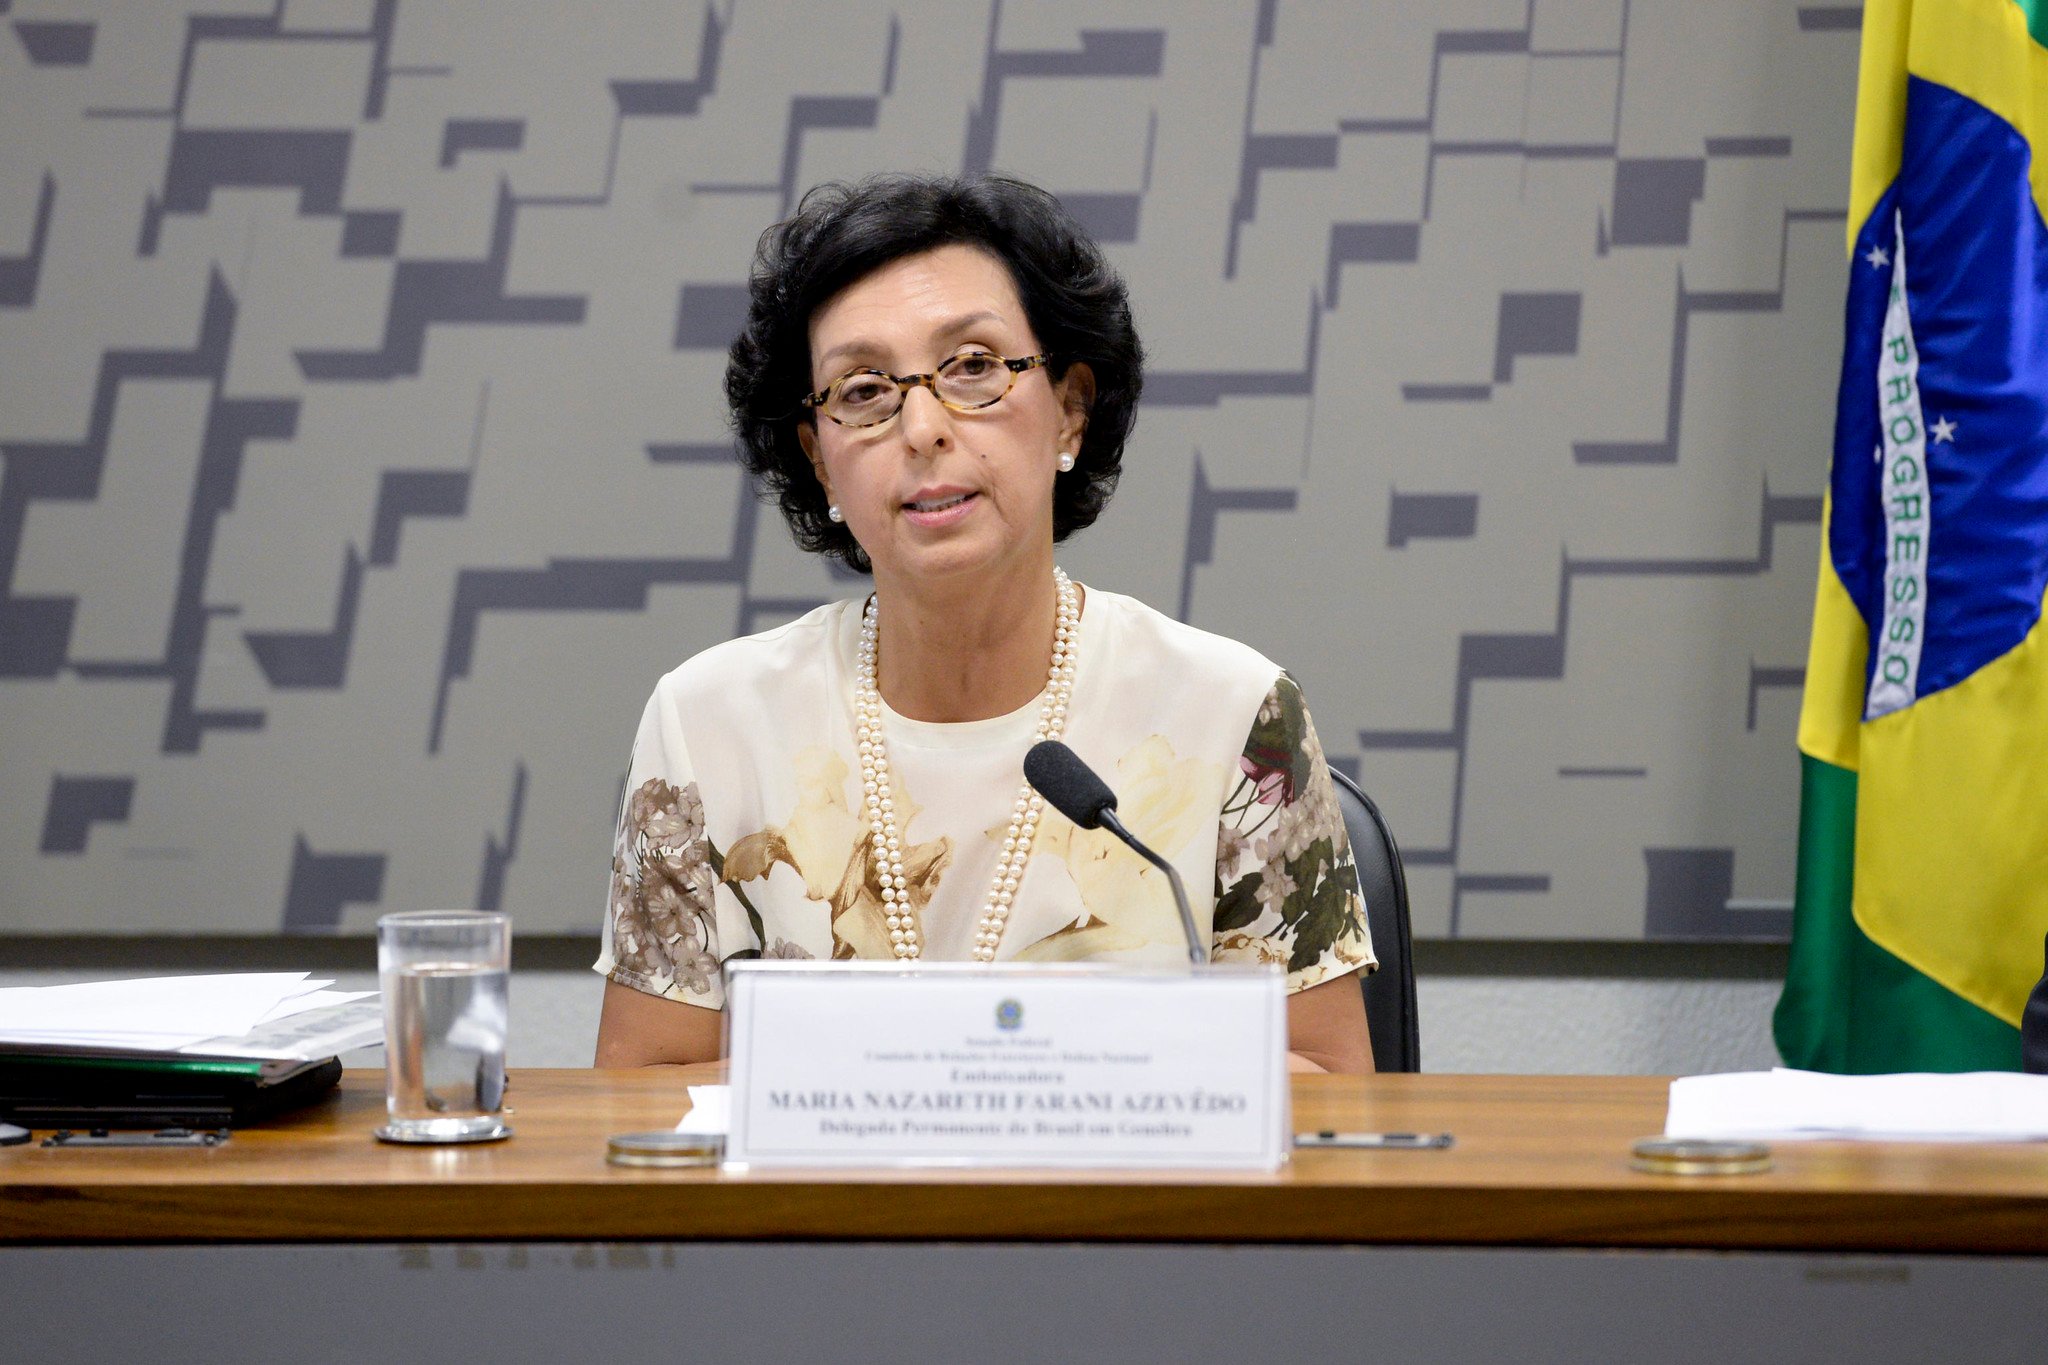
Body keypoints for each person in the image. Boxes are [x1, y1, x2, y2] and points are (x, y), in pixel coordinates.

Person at [593, 174, 1376, 1072]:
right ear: (818, 459)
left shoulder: (1236, 714)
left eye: (973, 367)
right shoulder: (710, 724)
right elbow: (642, 1108)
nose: (921, 426)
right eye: (862, 389)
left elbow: (1330, 1099)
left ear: (1071, 407)